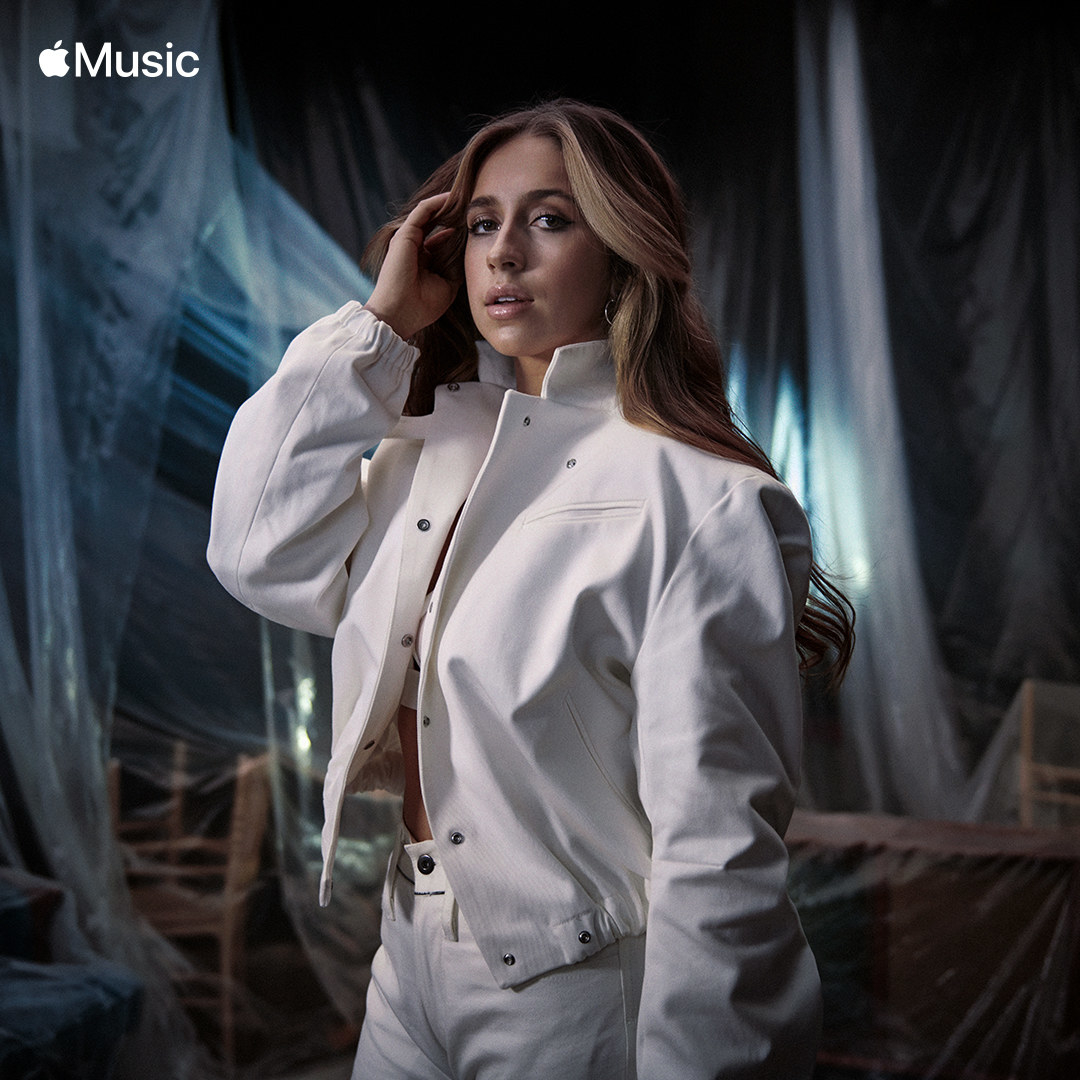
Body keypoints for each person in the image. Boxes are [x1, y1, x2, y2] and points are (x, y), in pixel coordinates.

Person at [207, 98, 853, 1080]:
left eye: (550, 218)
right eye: (479, 224)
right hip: (408, 953)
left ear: (624, 247)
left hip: (577, 990)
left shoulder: (702, 501)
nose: (503, 253)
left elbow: (716, 850)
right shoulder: (428, 461)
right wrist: (381, 327)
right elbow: (254, 550)